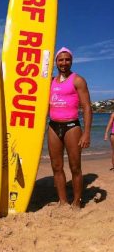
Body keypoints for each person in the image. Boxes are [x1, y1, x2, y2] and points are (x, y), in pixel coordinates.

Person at [48, 47, 92, 209]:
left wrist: (86, 133)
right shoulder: (50, 81)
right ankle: (63, 201)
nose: (64, 63)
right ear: (56, 62)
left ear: (71, 61)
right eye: (60, 60)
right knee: (56, 166)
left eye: (67, 59)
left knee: (75, 167)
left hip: (72, 126)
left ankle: (77, 201)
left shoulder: (77, 80)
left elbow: (87, 107)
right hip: (53, 125)